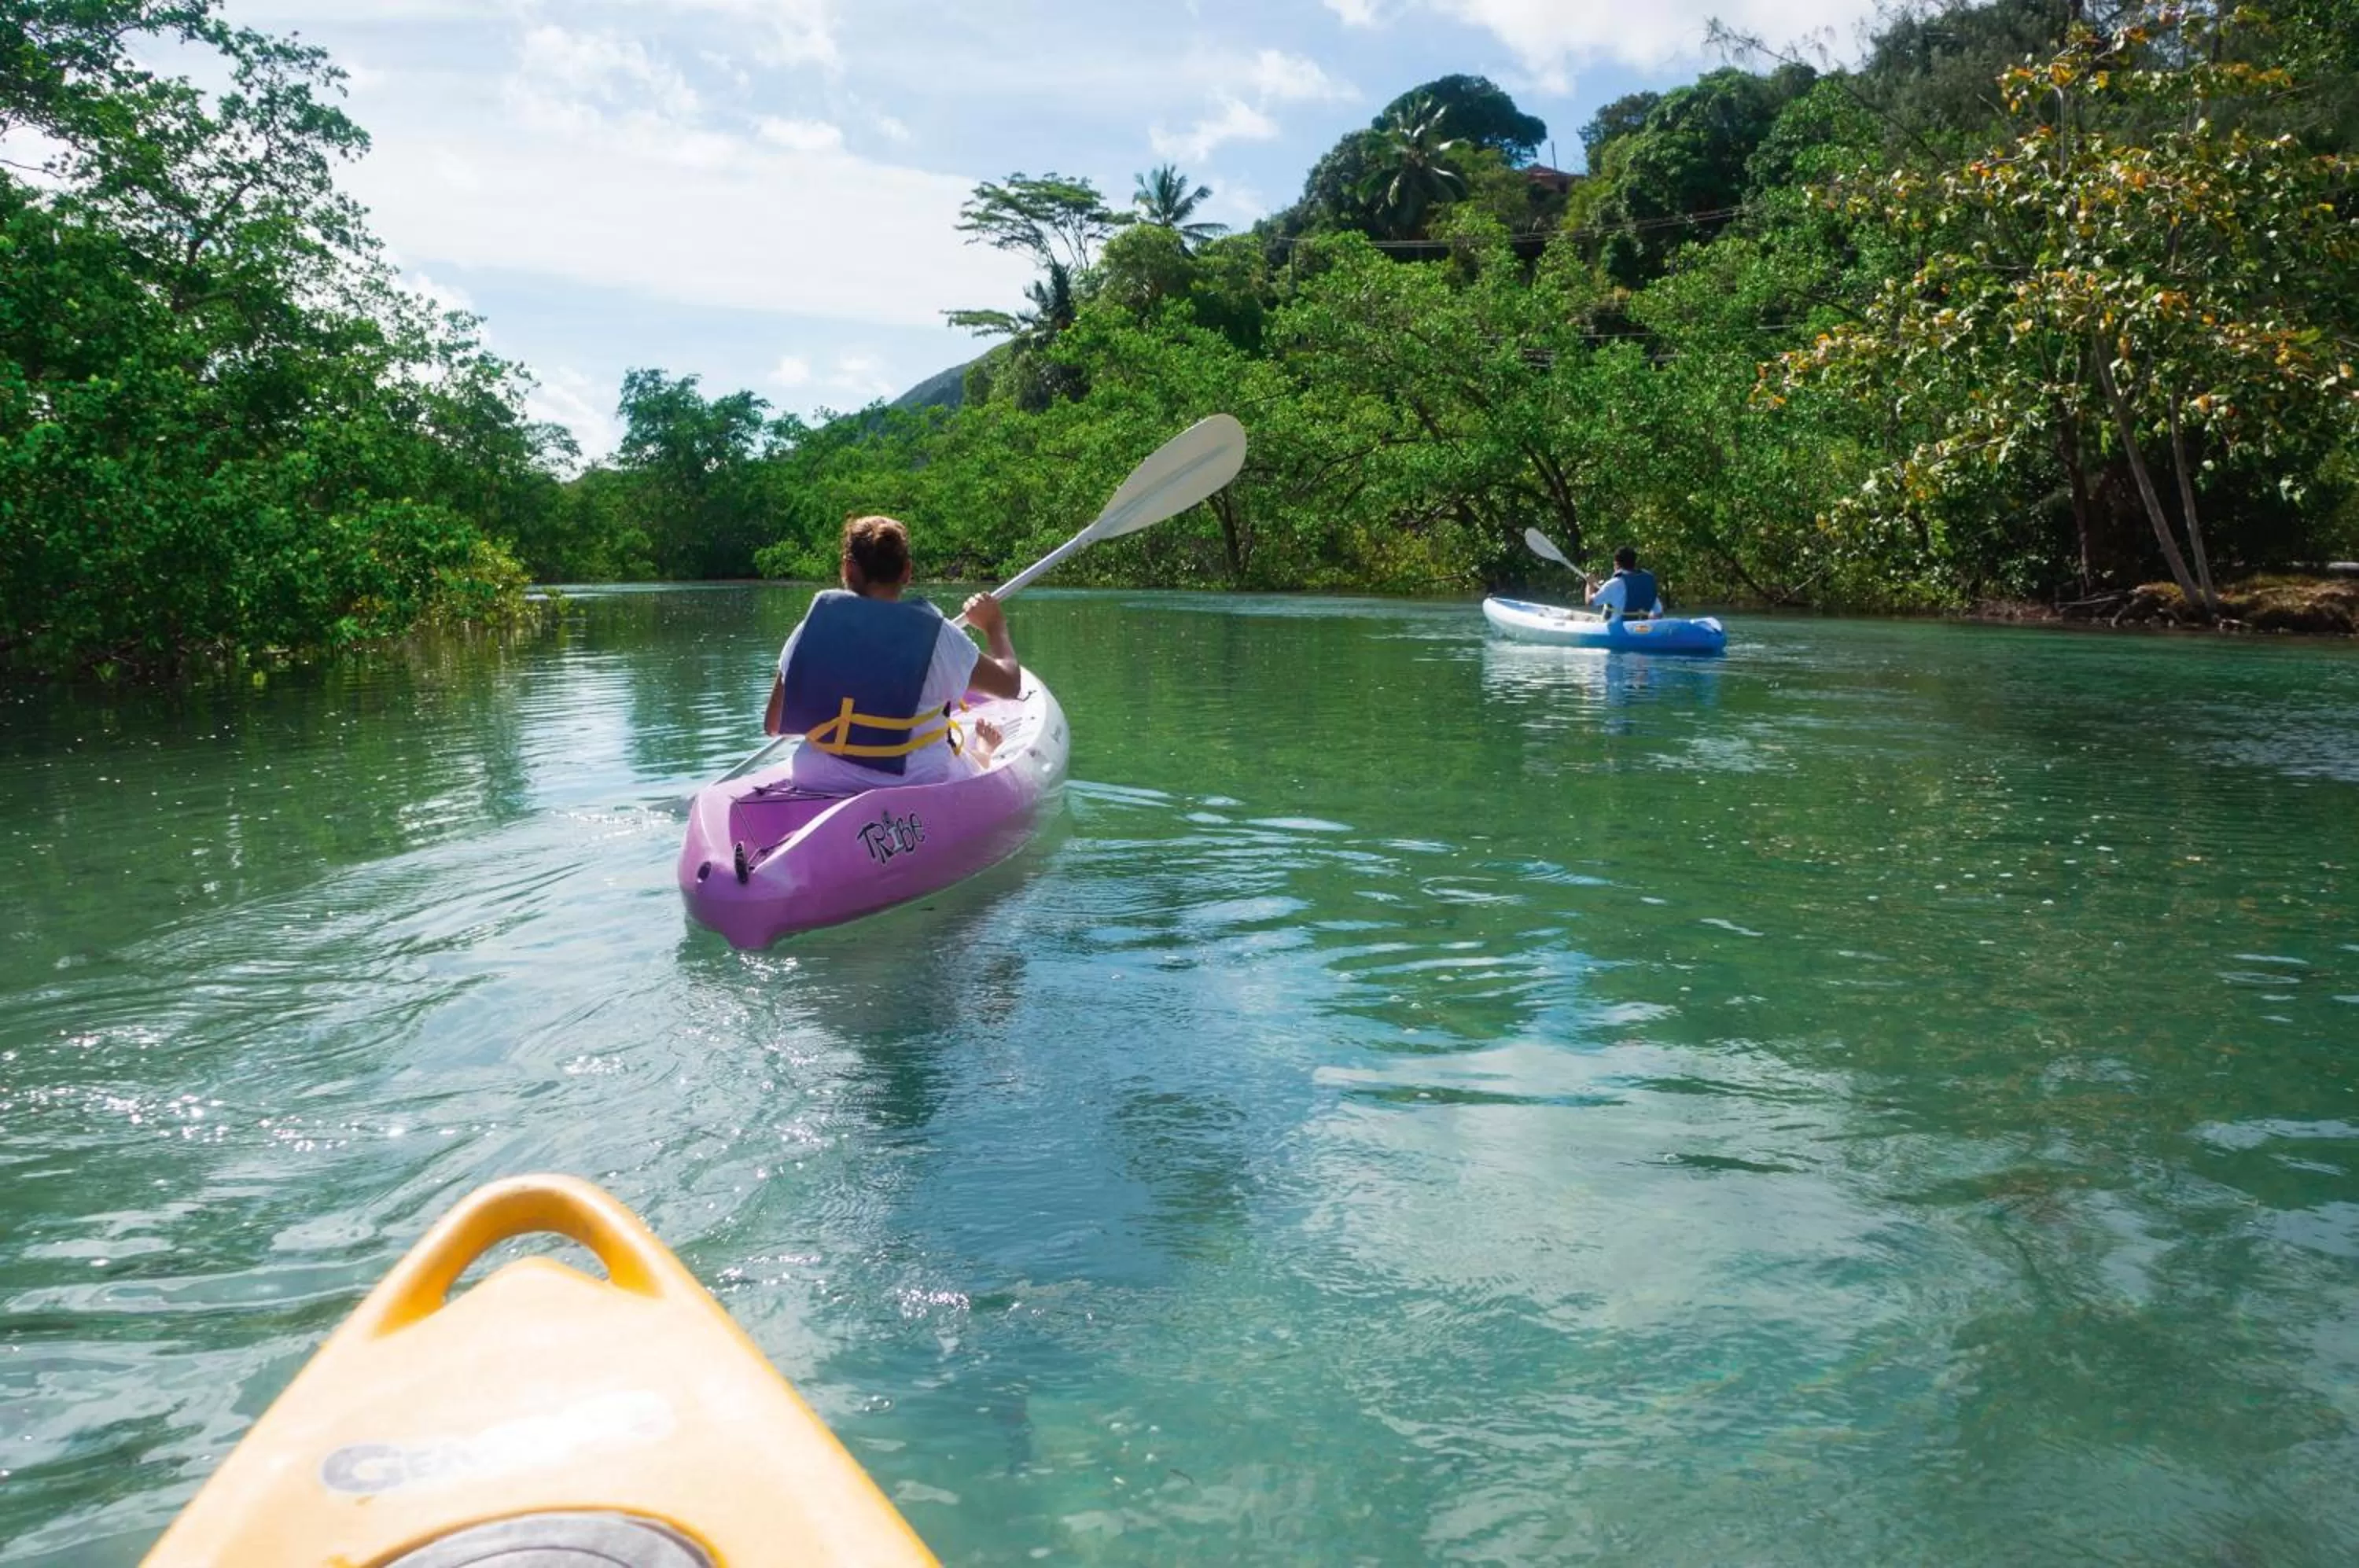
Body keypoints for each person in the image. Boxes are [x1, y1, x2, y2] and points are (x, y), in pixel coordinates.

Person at [761, 515, 1022, 797]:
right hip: (918, 779)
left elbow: (774, 725)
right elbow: (1009, 685)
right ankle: (983, 752)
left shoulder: (810, 630)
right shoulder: (938, 636)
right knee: (976, 761)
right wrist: (995, 626)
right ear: (907, 571)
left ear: (848, 570)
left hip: (819, 778)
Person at [1586, 547, 1662, 620]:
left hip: (1620, 630)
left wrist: (1590, 585)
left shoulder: (1613, 584)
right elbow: (1658, 614)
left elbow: (1590, 602)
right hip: (1643, 629)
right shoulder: (1647, 583)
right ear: (1634, 563)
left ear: (1616, 564)